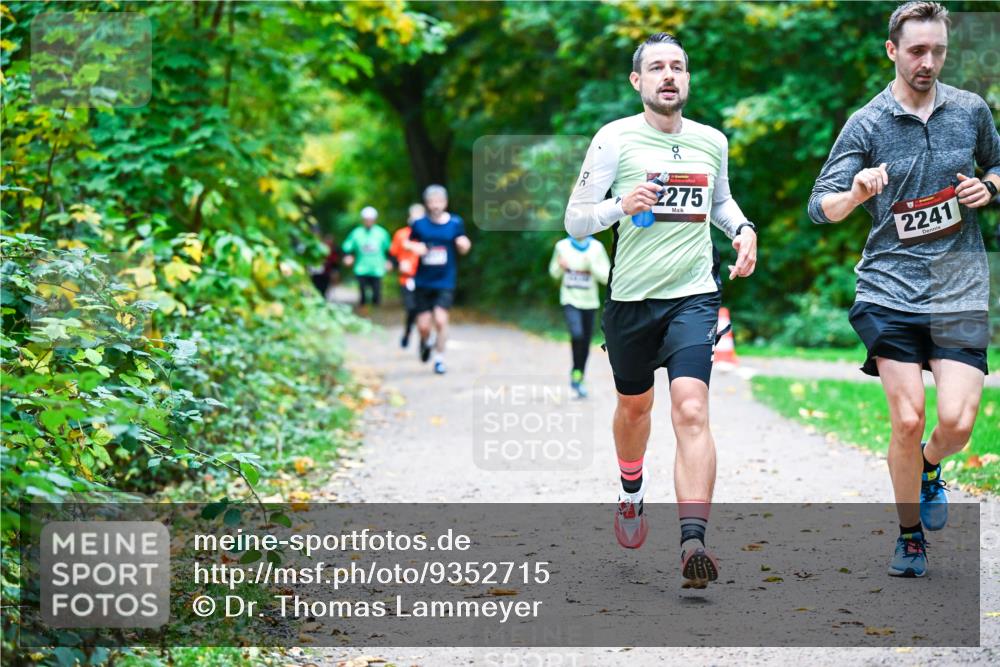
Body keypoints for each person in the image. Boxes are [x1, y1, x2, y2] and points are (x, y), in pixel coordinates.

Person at [808, 1, 999, 578]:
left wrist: (989, 189)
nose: (928, 61)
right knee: (908, 418)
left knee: (959, 422)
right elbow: (821, 205)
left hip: (959, 285)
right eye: (917, 50)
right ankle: (909, 535)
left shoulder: (970, 110)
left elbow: (998, 165)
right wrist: (858, 194)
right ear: (893, 51)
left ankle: (931, 467)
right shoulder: (867, 123)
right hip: (889, 287)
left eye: (938, 50)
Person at [564, 32, 758, 588]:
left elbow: (720, 202)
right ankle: (631, 491)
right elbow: (576, 221)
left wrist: (743, 230)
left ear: (688, 79)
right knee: (634, 410)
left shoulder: (710, 142)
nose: (668, 75)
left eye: (677, 67)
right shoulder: (614, 141)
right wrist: (618, 206)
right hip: (630, 302)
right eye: (656, 68)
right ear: (638, 81)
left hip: (694, 295)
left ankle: (692, 541)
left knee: (692, 409)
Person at [406, 185, 471, 375]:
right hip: (424, 281)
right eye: (432, 202)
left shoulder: (455, 223)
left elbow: (464, 245)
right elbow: (409, 242)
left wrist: (463, 245)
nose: (435, 205)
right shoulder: (419, 224)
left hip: (445, 280)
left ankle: (439, 359)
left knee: (441, 321)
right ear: (427, 203)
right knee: (424, 326)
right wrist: (414, 248)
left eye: (439, 201)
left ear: (445, 202)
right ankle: (425, 342)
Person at [548, 235, 611, 398]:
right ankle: (576, 372)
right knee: (577, 334)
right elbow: (553, 273)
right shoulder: (562, 246)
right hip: (570, 299)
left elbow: (606, 277)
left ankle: (578, 375)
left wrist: (591, 265)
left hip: (590, 303)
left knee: (585, 341)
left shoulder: (596, 247)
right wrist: (560, 266)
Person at [342, 206, 392, 312]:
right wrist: (348, 256)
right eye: (366, 220)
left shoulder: (381, 233)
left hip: (377, 269)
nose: (368, 222)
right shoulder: (356, 233)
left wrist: (389, 261)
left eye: (371, 219)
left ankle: (376, 313)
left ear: (375, 220)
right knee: (363, 292)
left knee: (376, 294)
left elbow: (389, 249)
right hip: (361, 268)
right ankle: (364, 312)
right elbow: (347, 247)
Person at [390, 203, 426, 348]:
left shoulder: (428, 233)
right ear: (409, 218)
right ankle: (408, 332)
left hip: (426, 278)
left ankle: (424, 339)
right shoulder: (401, 234)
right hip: (407, 278)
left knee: (424, 311)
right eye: (414, 216)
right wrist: (399, 265)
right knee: (412, 308)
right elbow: (392, 255)